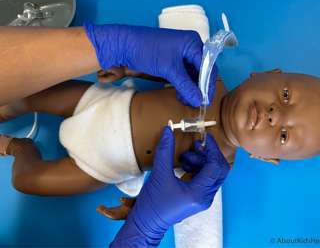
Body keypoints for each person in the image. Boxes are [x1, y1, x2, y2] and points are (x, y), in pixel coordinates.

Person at [0, 22, 227, 247]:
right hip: (101, 103)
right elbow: (169, 68)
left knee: (26, 180)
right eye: (266, 102)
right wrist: (129, 67)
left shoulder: (220, 162)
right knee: (28, 94)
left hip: (102, 165)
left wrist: (140, 209)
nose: (265, 116)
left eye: (266, 131)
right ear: (260, 74)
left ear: (263, 157)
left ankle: (19, 148)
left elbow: (175, 195)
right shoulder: (212, 81)